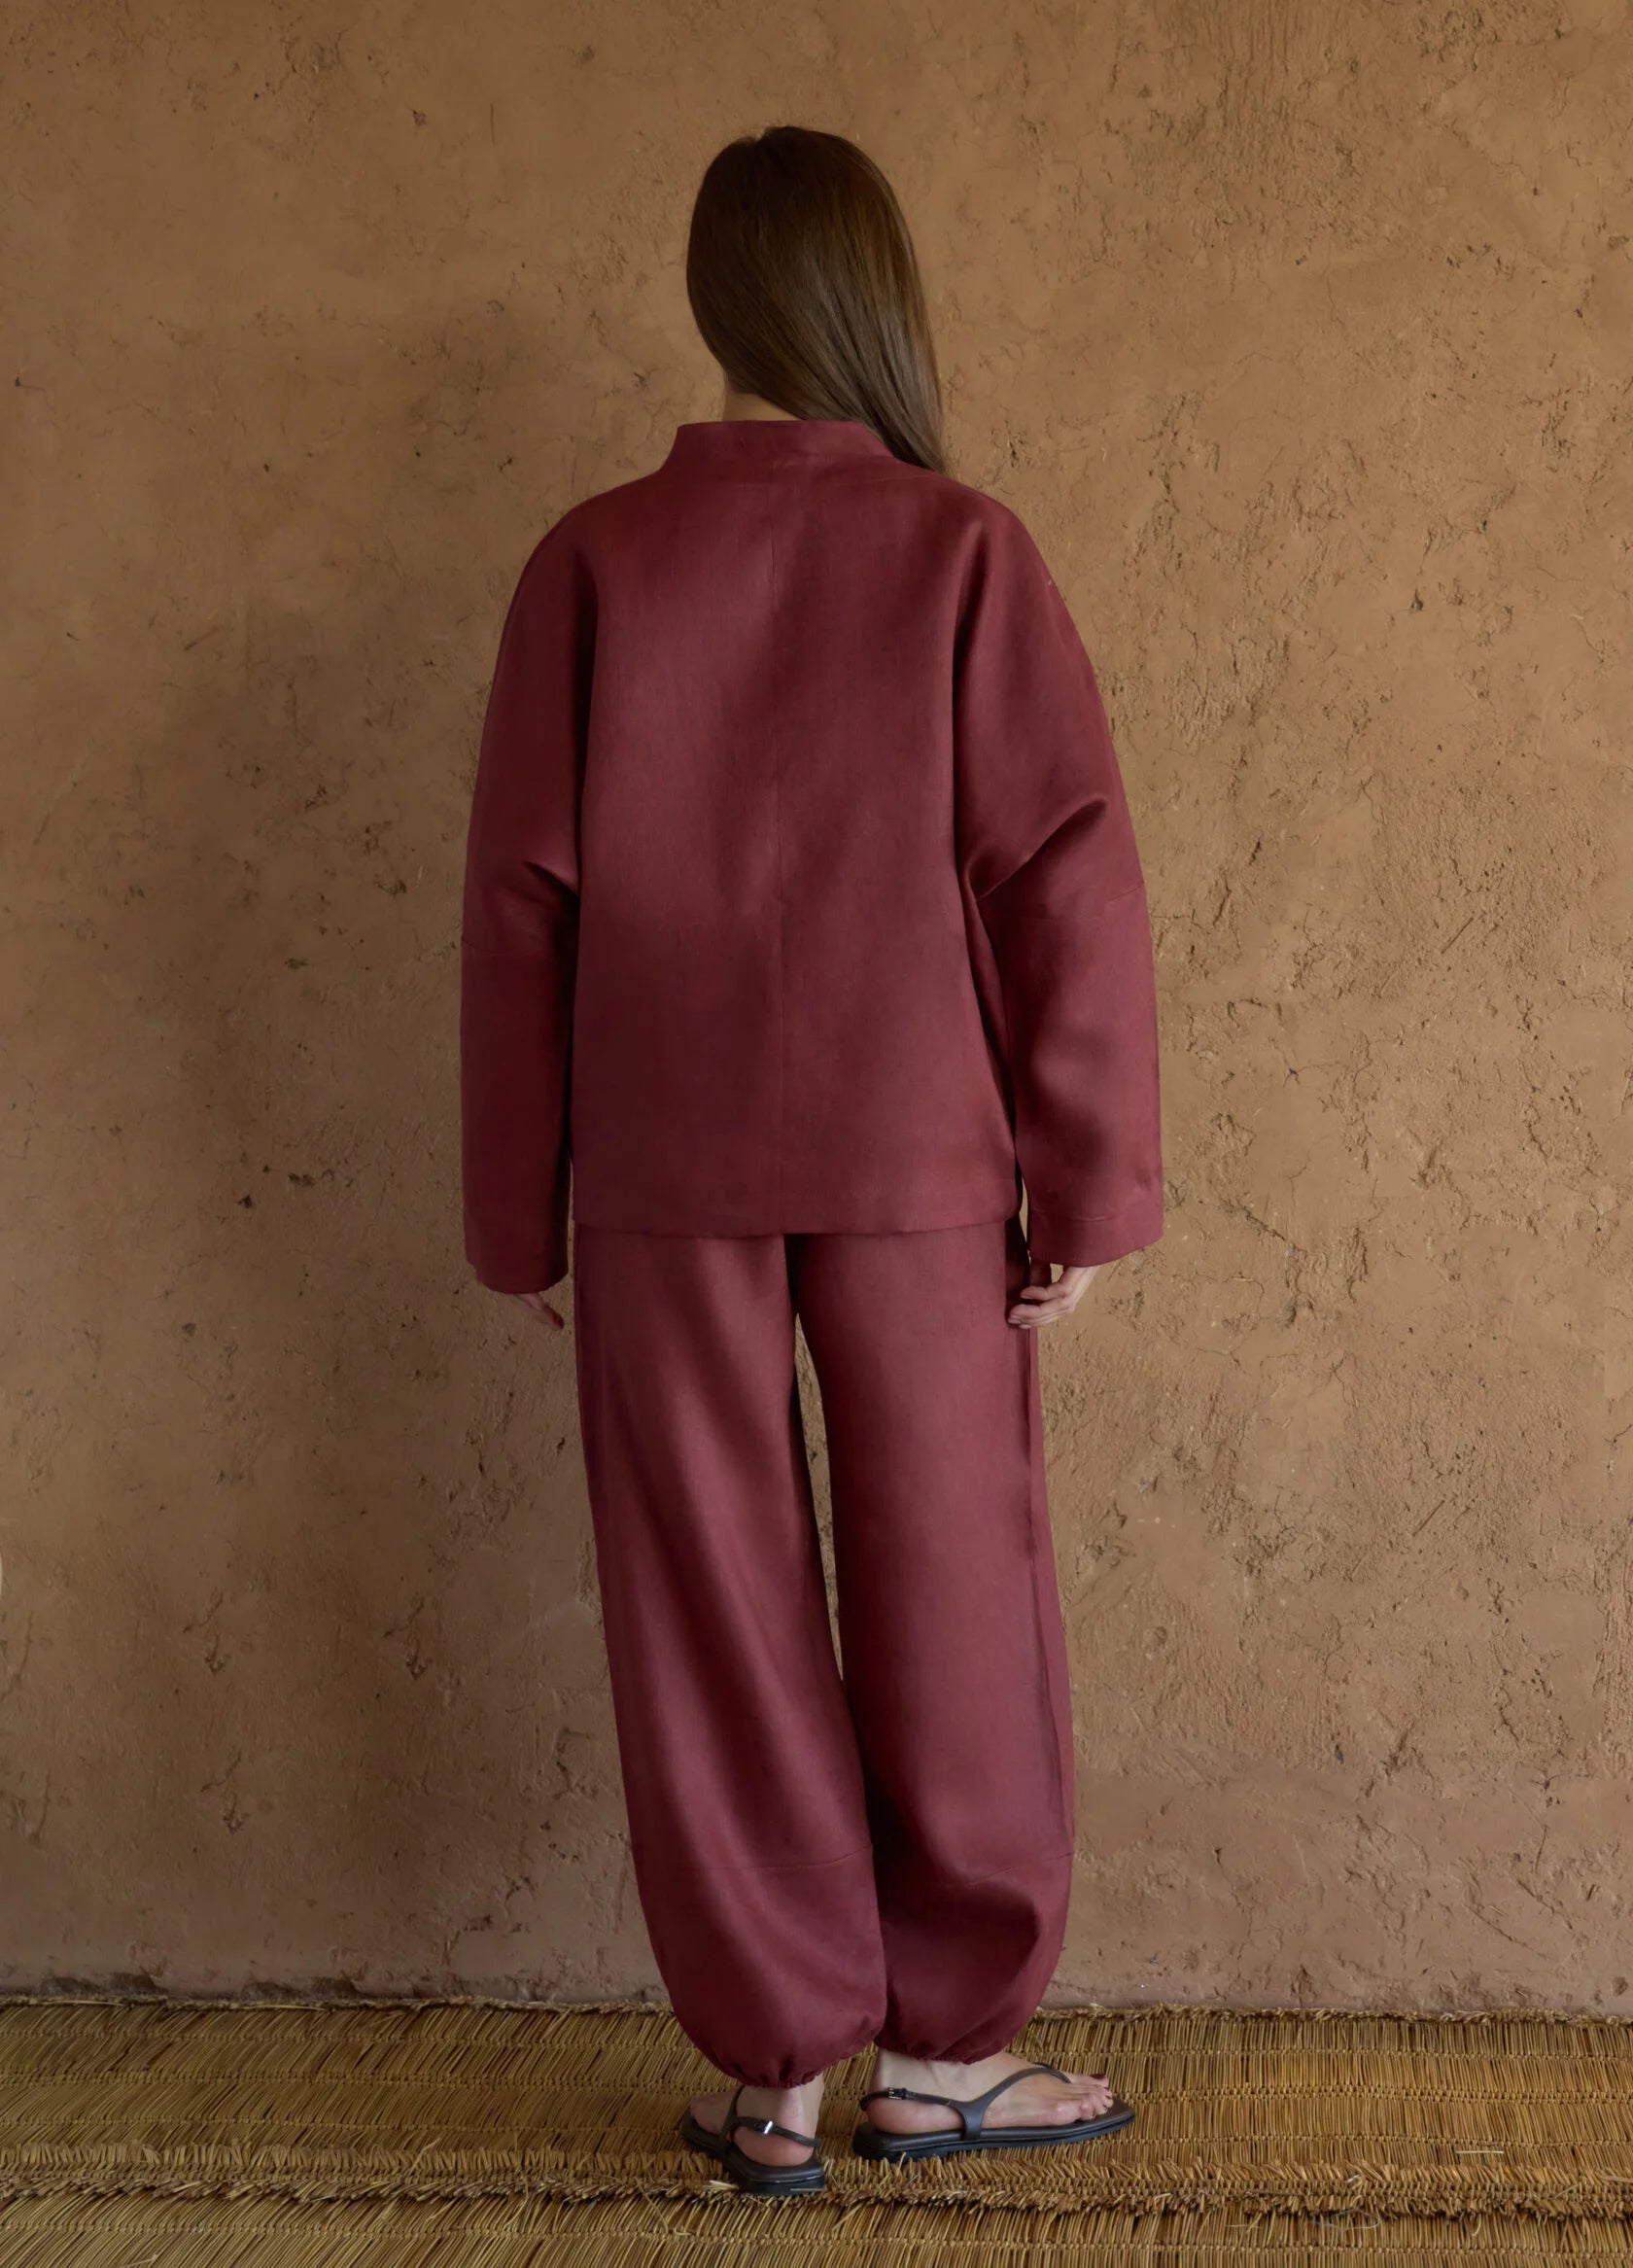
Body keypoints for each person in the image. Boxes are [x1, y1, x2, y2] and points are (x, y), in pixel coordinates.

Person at [459, 124, 1164, 2200]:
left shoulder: (594, 562)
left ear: (714, 296)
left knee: (705, 1591)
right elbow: (1065, 879)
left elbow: (521, 906)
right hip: (919, 1151)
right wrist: (1089, 1182)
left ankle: (776, 2075)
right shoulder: (962, 552)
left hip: (659, 1161)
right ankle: (947, 2059)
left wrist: (522, 1209)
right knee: (955, 1569)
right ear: (874, 295)